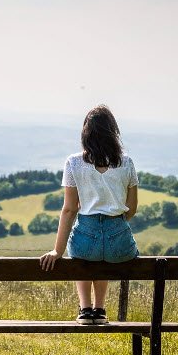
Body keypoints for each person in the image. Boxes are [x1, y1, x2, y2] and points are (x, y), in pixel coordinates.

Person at [39, 104, 139, 324]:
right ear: (113, 132)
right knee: (104, 254)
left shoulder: (74, 163)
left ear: (86, 133)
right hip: (118, 240)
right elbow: (132, 208)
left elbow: (69, 209)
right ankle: (99, 309)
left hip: (86, 236)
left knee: (86, 252)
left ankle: (85, 309)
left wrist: (57, 250)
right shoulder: (127, 163)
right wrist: (113, 224)